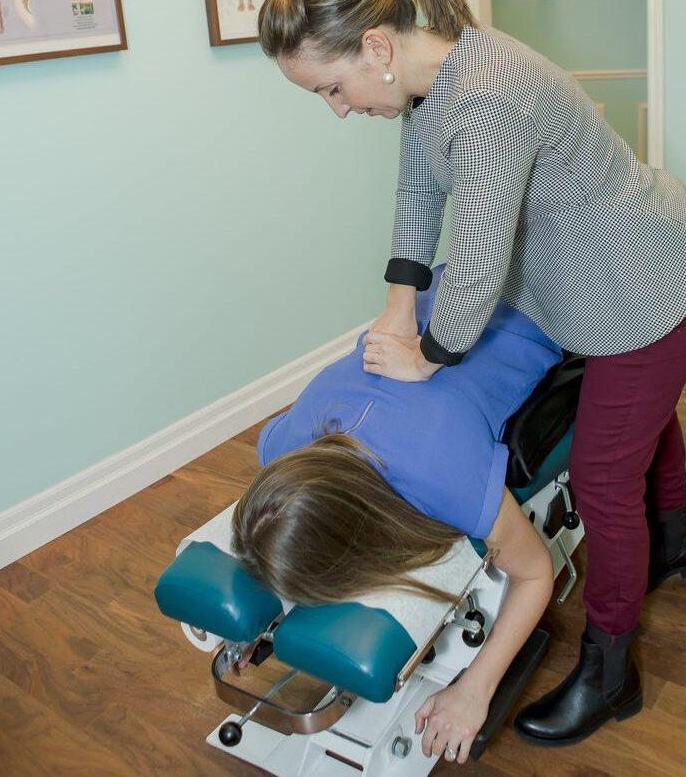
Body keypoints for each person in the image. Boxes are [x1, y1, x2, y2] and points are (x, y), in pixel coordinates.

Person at [256, 0, 686, 750]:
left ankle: (610, 668)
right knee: (639, 417)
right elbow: (415, 193)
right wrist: (395, 306)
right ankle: (676, 539)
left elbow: (472, 270)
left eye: (332, 88)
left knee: (603, 472)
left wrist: (427, 356)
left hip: (649, 276)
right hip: (587, 279)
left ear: (375, 46)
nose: (336, 108)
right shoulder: (435, 78)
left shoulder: (483, 101)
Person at [232, 266, 562, 763]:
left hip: (546, 300)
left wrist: (476, 689)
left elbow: (536, 573)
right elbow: (286, 524)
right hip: (457, 282)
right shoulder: (283, 445)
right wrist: (259, 621)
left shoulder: (442, 477)